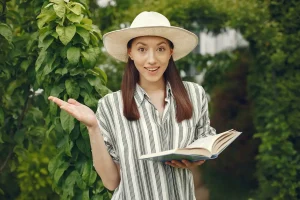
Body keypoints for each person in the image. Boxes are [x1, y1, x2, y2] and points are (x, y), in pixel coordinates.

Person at [48, 11, 216, 200]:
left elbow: (205, 145)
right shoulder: (110, 106)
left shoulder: (194, 94)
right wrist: (92, 127)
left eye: (160, 49)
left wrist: (196, 159)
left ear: (171, 52)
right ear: (130, 53)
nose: (152, 59)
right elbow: (111, 182)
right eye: (142, 49)